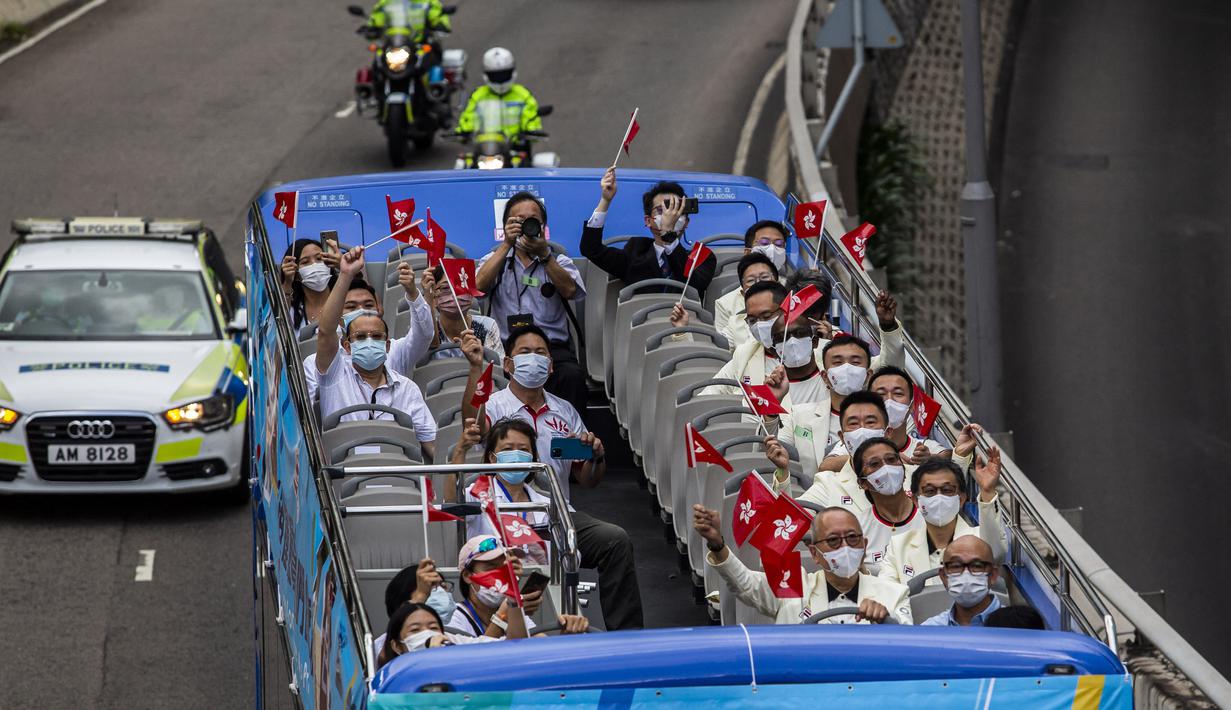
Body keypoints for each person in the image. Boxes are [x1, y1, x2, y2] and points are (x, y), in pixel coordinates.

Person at [460, 325, 644, 630]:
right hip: (503, 514)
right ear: (508, 364)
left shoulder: (564, 411)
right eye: (524, 352)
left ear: (550, 365)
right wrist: (476, 368)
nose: (533, 358)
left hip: (558, 515)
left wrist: (596, 455)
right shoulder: (494, 406)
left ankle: (627, 638)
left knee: (615, 540)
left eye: (540, 353)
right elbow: (473, 424)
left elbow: (587, 479)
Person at [694, 503, 912, 625]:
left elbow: (909, 651)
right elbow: (746, 584)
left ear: (864, 546)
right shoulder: (793, 586)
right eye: (833, 540)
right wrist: (717, 544)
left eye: (852, 538)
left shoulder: (894, 594)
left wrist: (886, 622)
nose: (845, 547)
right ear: (814, 553)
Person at [315, 247, 437, 459]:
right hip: (345, 478)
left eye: (376, 337)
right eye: (360, 337)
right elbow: (325, 332)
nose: (369, 342)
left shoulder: (407, 388)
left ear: (388, 346)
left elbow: (432, 445)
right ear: (347, 346)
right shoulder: (333, 375)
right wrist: (345, 274)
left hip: (400, 477)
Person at [475, 191, 588, 412]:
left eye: (532, 220)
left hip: (552, 349)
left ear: (542, 225)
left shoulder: (558, 259)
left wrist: (545, 256)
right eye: (518, 220)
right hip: (505, 349)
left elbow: (571, 291)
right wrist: (506, 245)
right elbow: (477, 288)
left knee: (572, 377)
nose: (526, 225)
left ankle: (574, 441)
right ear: (506, 225)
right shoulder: (495, 260)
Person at [702, 282, 902, 397]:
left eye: (766, 317)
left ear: (787, 311)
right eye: (752, 320)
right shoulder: (745, 354)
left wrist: (887, 325)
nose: (760, 325)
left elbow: (887, 367)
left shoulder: (828, 354)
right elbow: (710, 395)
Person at [302, 263, 434, 402]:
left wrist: (413, 293)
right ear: (337, 315)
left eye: (368, 305)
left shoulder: (394, 350)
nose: (361, 311)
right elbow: (307, 410)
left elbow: (424, 335)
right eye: (351, 307)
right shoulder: (315, 363)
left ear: (378, 310)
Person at [579, 168, 717, 299]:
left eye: (676, 210)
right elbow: (591, 249)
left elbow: (695, 286)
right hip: (642, 320)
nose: (670, 215)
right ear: (648, 220)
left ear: (686, 221)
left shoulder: (702, 257)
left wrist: (668, 236)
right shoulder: (635, 251)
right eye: (661, 210)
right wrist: (605, 200)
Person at [879, 454, 1006, 585]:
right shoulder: (899, 545)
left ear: (961, 499)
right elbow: (886, 592)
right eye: (929, 491)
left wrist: (987, 491)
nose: (938, 497)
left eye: (947, 490)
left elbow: (996, 553)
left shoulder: (980, 538)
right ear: (916, 500)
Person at [446, 416, 550, 564]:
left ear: (533, 458)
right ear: (492, 458)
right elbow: (452, 502)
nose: (516, 456)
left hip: (535, 581)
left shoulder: (547, 504)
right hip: (490, 580)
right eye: (508, 449)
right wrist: (460, 450)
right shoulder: (477, 495)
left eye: (523, 449)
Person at [451, 534, 589, 637]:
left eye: (505, 569)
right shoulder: (455, 618)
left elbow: (542, 650)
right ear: (468, 576)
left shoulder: (514, 611)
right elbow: (474, 663)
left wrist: (568, 634)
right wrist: (503, 615)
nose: (501, 575)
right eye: (491, 569)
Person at [455, 47, 543, 151]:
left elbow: (531, 118)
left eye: (504, 74)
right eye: (495, 75)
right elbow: (469, 117)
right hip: (485, 150)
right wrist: (462, 131)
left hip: (516, 149)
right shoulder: (478, 96)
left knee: (534, 163)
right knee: (462, 164)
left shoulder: (522, 95)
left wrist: (531, 130)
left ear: (512, 72)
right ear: (487, 75)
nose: (500, 79)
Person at [375, 601, 505, 670]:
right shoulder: (392, 679)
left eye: (433, 627)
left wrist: (512, 605)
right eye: (415, 630)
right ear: (397, 646)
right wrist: (434, 659)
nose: (427, 634)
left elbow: (498, 647)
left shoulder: (451, 643)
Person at [371, 558, 459, 656]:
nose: (441, 593)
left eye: (443, 586)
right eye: (431, 587)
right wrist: (419, 598)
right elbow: (383, 659)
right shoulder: (380, 646)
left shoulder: (449, 638)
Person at [920, 535, 1004, 627]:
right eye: (956, 566)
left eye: (977, 565)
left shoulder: (1015, 627)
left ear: (993, 575)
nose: (966, 575)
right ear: (944, 576)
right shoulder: (930, 631)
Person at [425, 263, 504, 360]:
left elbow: (498, 370)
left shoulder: (487, 326)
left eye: (461, 287)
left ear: (471, 295)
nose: (455, 295)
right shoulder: (425, 330)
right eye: (445, 288)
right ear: (434, 299)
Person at [712, 253, 778, 351]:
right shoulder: (735, 324)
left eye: (764, 277)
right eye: (751, 280)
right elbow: (717, 350)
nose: (759, 284)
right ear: (743, 293)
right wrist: (681, 332)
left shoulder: (792, 318)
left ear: (778, 283)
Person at [281, 237, 341, 330]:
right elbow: (277, 324)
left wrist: (344, 268)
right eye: (305, 262)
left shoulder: (348, 300)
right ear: (296, 274)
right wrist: (287, 282)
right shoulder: (292, 309)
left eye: (319, 258)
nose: (315, 264)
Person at [365, 0, 450, 40]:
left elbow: (438, 14)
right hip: (393, 43)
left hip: (420, 43)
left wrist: (440, 24)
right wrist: (371, 27)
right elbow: (377, 16)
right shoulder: (387, 2)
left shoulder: (428, 2)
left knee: (434, 65)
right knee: (376, 65)